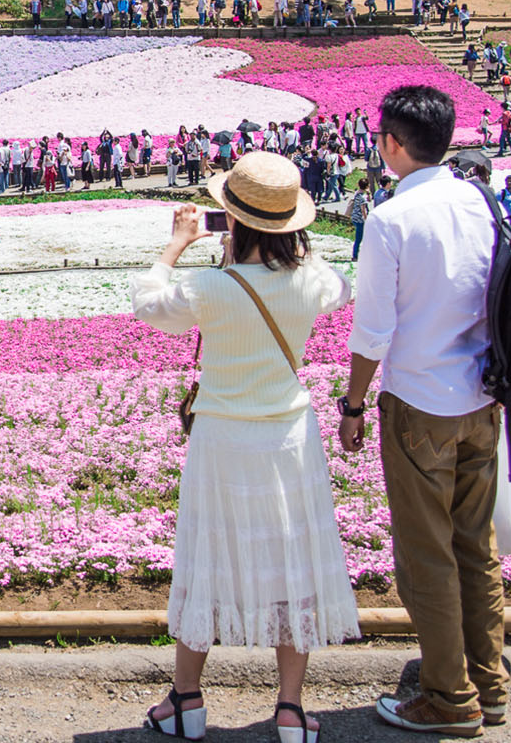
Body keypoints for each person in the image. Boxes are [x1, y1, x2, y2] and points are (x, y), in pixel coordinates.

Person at [130, 156, 355, 743]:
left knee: (207, 559)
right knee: (292, 565)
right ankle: (289, 709)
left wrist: (175, 246)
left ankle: (186, 701)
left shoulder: (210, 287)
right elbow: (340, 284)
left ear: (233, 220)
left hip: (222, 441)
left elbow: (149, 306)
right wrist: (295, 248)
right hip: (288, 441)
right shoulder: (312, 281)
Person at [339, 85, 507, 736]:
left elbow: (372, 331)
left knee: (426, 555)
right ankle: (488, 684)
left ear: (391, 144)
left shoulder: (390, 220)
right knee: (476, 547)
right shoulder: (481, 200)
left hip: (419, 405)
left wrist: (353, 403)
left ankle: (447, 696)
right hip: (483, 400)